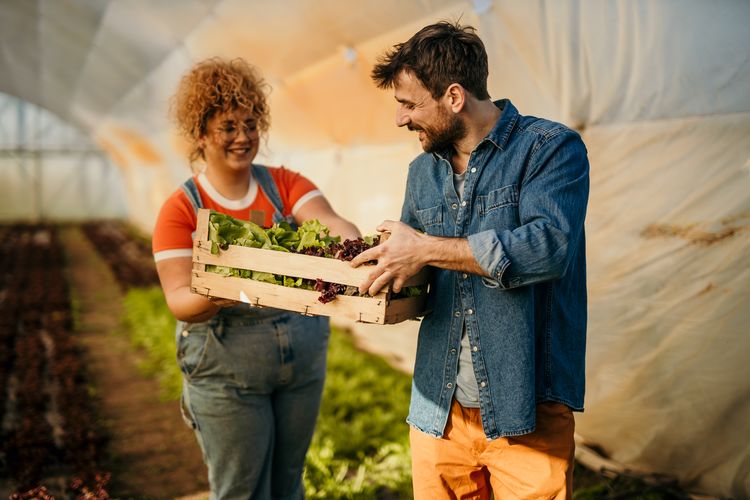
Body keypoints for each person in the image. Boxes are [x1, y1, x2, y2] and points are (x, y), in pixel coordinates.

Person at [350, 21, 590, 499]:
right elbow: (416, 273)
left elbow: (547, 248)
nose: (400, 119)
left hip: (527, 410)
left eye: (408, 104)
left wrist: (424, 248)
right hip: (439, 408)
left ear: (454, 97)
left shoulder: (549, 149)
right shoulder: (422, 172)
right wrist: (369, 275)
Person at [152, 57, 360, 499]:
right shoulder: (182, 208)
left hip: (301, 356)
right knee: (241, 491)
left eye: (251, 124)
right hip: (226, 361)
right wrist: (226, 289)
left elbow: (330, 221)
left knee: (288, 484)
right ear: (201, 134)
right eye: (228, 127)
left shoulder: (283, 184)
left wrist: (352, 247)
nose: (243, 137)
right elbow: (178, 298)